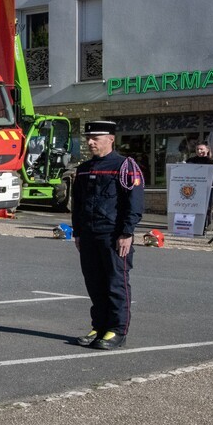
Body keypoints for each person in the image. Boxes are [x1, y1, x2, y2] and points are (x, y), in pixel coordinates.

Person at [71, 120, 144, 350]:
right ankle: (100, 326)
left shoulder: (125, 166)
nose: (91, 142)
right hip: (90, 235)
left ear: (111, 139)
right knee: (94, 284)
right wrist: (78, 233)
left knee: (116, 284)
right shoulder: (84, 168)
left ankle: (117, 330)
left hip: (113, 235)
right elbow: (78, 203)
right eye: (88, 139)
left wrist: (127, 232)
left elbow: (134, 202)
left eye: (96, 138)